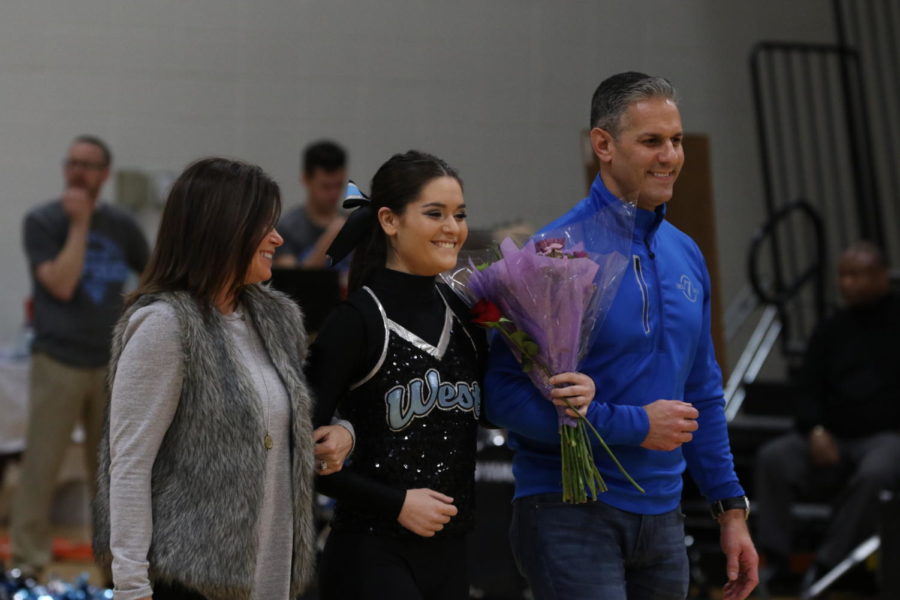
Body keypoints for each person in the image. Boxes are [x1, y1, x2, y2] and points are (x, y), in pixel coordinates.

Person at [485, 72, 758, 600]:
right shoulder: (553, 254)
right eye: (652, 141)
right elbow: (501, 397)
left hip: (664, 519)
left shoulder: (687, 253)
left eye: (676, 140)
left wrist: (730, 507)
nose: (671, 157)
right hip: (567, 511)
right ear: (603, 145)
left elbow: (700, 392)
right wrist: (634, 426)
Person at [307, 150, 598, 599]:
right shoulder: (356, 320)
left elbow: (489, 413)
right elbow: (301, 456)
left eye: (459, 214)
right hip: (371, 552)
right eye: (435, 214)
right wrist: (396, 502)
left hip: (452, 553)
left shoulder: (467, 315)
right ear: (388, 220)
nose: (453, 228)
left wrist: (564, 386)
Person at [91, 157, 353, 600]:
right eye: (263, 225)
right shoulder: (165, 325)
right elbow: (130, 467)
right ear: (223, 229)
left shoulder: (277, 317)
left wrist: (342, 435)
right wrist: (132, 588)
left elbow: (295, 420)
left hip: (271, 578)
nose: (278, 237)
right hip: (188, 583)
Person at [11, 135, 149, 579]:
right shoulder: (43, 221)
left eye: (89, 165)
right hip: (58, 362)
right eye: (72, 162)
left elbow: (153, 276)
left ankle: (113, 569)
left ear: (105, 174)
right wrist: (80, 225)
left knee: (109, 474)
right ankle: (28, 564)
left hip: (110, 363)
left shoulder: (123, 225)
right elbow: (62, 284)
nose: (78, 172)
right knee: (41, 468)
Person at [755, 242, 900, 594]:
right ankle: (777, 559)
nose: (846, 284)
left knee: (878, 471)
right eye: (842, 276)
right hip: (830, 437)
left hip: (885, 436)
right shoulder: (832, 328)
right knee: (773, 458)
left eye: (856, 275)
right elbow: (806, 388)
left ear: (881, 276)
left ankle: (828, 563)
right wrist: (817, 429)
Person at [273, 140, 348, 269]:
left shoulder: (353, 223)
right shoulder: (288, 228)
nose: (334, 193)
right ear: (306, 179)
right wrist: (329, 239)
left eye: (338, 185)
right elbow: (291, 282)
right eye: (326, 186)